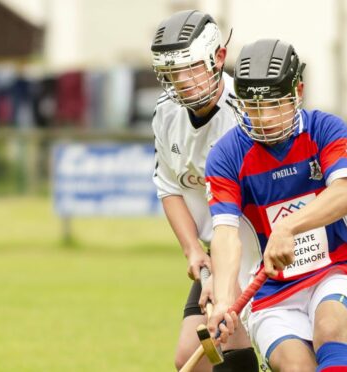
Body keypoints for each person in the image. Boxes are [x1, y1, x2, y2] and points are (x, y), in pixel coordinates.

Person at [204, 39, 347, 372]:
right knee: (295, 367)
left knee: (330, 329)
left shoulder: (324, 129)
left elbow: (345, 194)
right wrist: (224, 301)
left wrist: (288, 226)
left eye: (275, 104)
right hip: (270, 290)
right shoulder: (226, 156)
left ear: (297, 91)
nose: (265, 118)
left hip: (337, 267)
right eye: (253, 107)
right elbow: (226, 234)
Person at [150, 10, 260, 372]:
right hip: (218, 249)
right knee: (191, 358)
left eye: (191, 69)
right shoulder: (167, 114)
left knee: (233, 347)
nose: (181, 82)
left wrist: (229, 281)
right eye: (172, 73)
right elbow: (169, 186)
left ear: (219, 58)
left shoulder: (247, 115)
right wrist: (193, 250)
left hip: (262, 247)